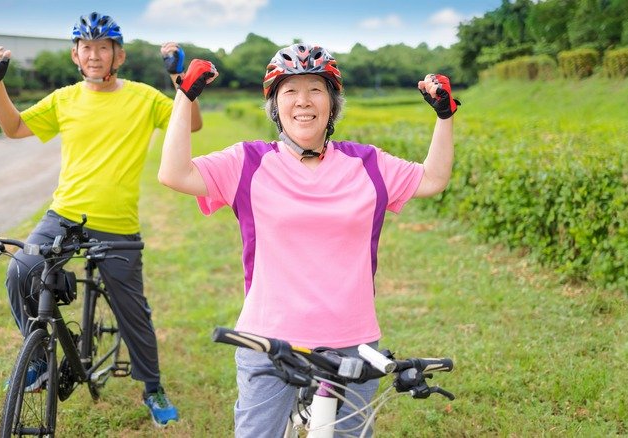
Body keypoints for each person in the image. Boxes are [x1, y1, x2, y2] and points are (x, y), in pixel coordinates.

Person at [158, 43, 458, 436]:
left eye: (316, 90)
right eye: (290, 91)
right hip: (269, 340)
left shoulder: (367, 164)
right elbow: (174, 173)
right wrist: (184, 96)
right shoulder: (248, 162)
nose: (303, 101)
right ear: (275, 106)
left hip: (352, 340)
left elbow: (433, 179)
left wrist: (444, 116)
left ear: (332, 104)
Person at [0, 12, 201, 427]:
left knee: (132, 311)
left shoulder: (142, 97)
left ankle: (152, 386)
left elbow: (191, 123)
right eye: (86, 47)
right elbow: (13, 128)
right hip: (62, 214)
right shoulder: (65, 98)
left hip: (117, 223)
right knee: (20, 270)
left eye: (104, 47)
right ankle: (38, 356)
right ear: (75, 55)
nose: (94, 55)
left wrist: (179, 80)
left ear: (118, 55)